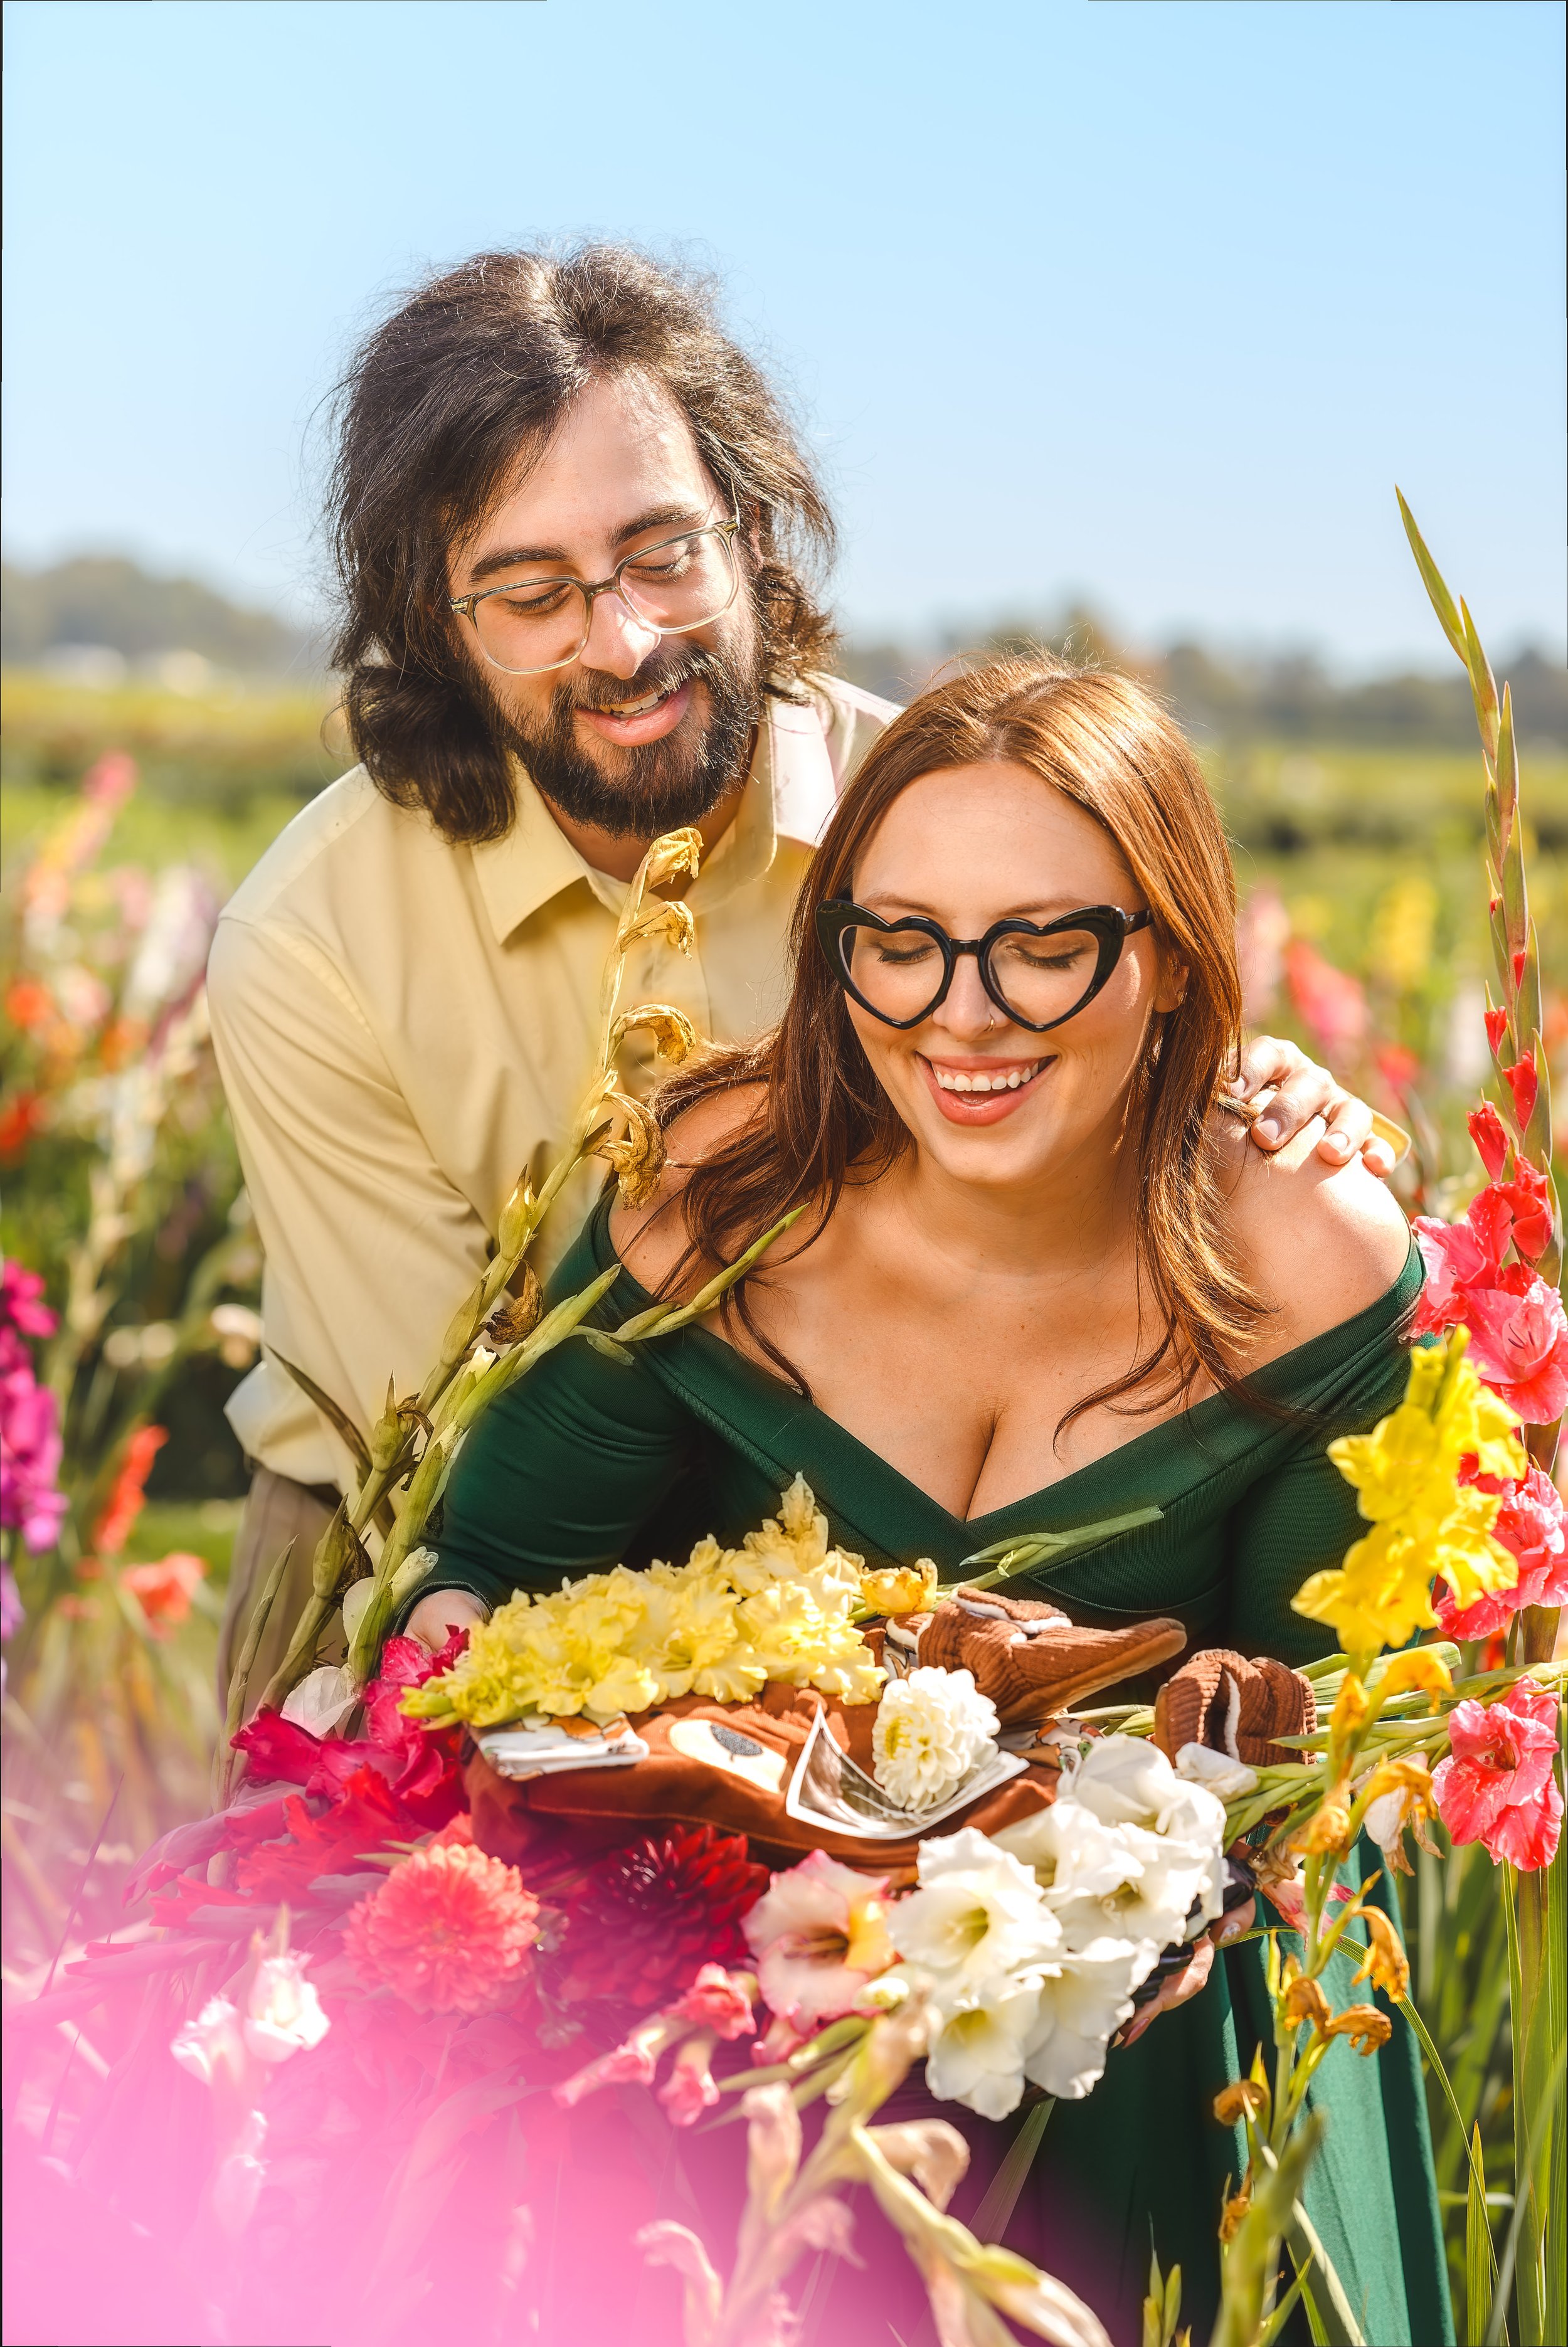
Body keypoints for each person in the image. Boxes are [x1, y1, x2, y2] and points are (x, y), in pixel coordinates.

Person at [412, 654, 1449, 2347]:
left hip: (1156, 2052)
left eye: (1045, 941)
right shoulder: (714, 1194)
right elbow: (482, 1590)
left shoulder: (1303, 1251)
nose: (959, 1012)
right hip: (742, 2056)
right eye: (896, 936)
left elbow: (1329, 1748)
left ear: (1174, 959)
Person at [209, 243, 1394, 1703]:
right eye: (529, 593)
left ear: (751, 528)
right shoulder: (313, 943)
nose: (625, 639)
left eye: (661, 554)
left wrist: (1261, 1097)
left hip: (844, 1609)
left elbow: (1123, 1071)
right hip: (404, 1551)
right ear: (434, 627)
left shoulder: (941, 809)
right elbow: (445, 1463)